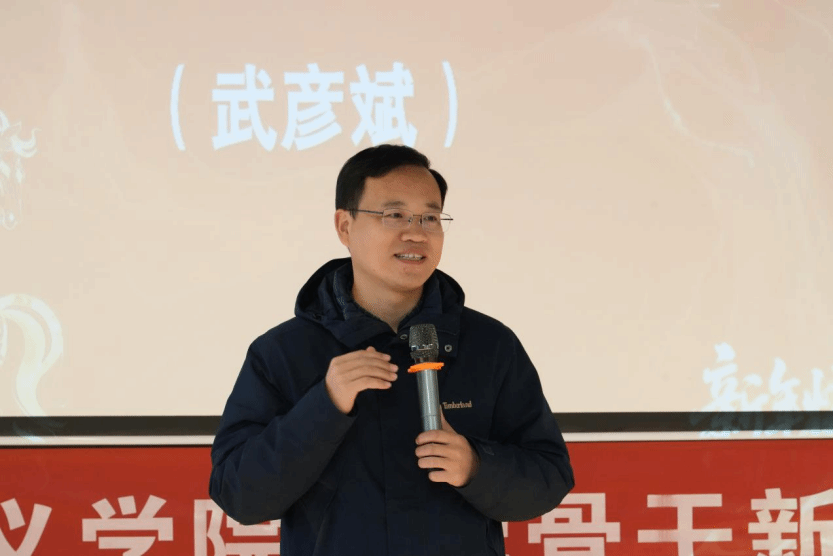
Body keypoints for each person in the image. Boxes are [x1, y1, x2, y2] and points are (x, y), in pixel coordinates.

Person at [209, 144, 575, 556]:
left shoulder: (490, 345)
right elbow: (239, 495)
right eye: (394, 215)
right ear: (344, 226)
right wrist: (324, 407)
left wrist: (477, 466)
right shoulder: (283, 352)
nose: (416, 233)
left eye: (430, 218)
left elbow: (549, 477)